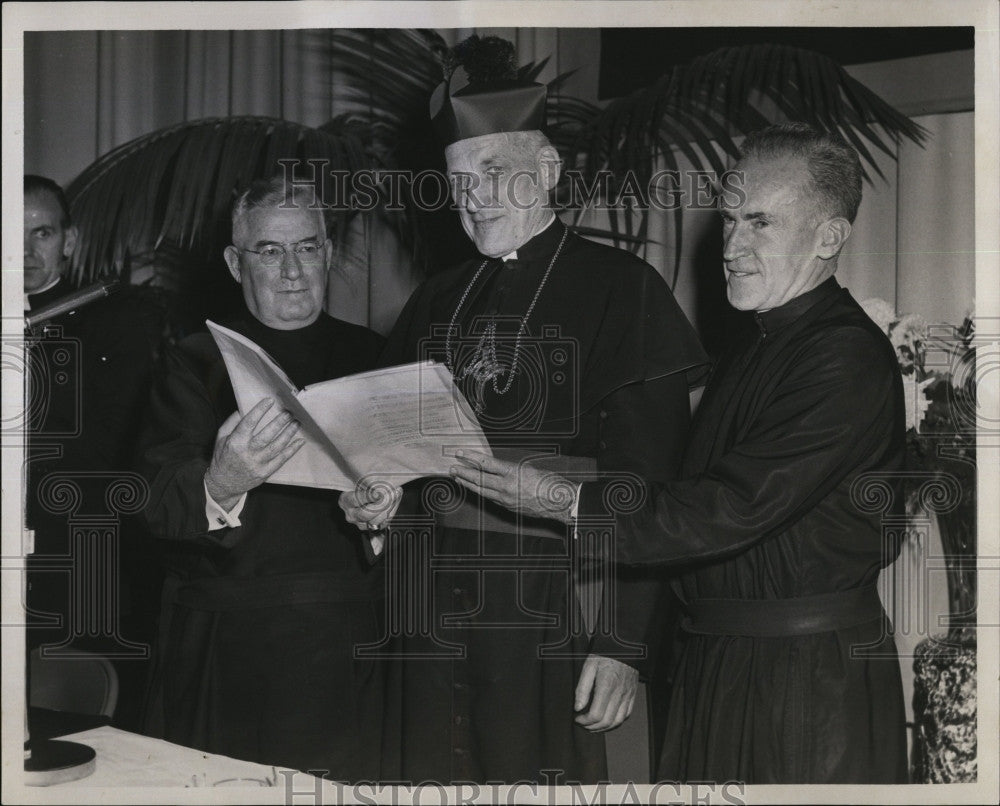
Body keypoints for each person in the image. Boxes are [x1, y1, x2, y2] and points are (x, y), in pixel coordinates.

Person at [450, 123, 909, 784]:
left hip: (806, 682)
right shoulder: (755, 345)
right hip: (720, 662)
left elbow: (725, 507)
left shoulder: (843, 356)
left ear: (829, 237)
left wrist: (557, 497)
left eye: (761, 224)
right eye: (728, 220)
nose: (732, 245)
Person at [340, 36, 708, 784]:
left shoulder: (622, 289)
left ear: (547, 170)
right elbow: (390, 452)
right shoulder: (438, 297)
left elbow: (651, 486)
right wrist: (376, 503)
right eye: (457, 179)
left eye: (492, 171)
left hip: (554, 600)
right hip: (430, 605)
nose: (471, 195)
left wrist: (621, 644)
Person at [137, 177, 386, 778]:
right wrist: (222, 481)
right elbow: (153, 508)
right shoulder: (193, 359)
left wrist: (386, 517)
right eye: (269, 251)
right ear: (234, 261)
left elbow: (430, 503)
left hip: (347, 637)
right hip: (229, 640)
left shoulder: (379, 358)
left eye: (306, 247)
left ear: (328, 252)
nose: (292, 270)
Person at [23, 174, 164, 729]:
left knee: (68, 727)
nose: (26, 252)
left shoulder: (114, 319)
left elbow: (99, 450)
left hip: (76, 558)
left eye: (42, 233)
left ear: (70, 242)